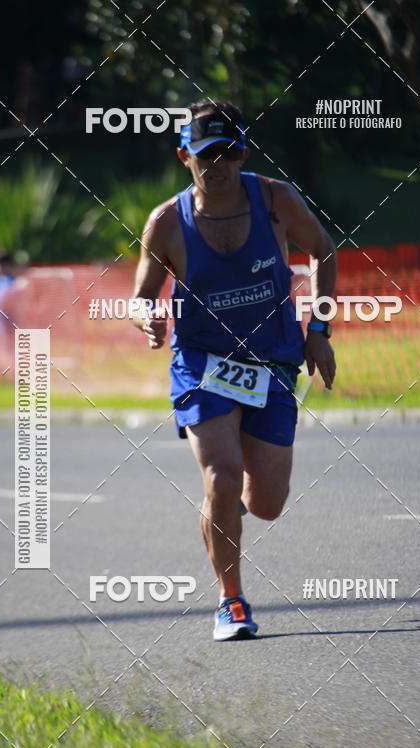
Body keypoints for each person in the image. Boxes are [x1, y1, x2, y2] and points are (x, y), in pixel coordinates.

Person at [133, 98, 336, 641]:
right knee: (220, 480)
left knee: (265, 504)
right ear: (184, 156)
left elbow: (323, 249)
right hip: (201, 362)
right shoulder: (166, 223)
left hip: (271, 359)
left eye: (227, 152)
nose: (217, 164)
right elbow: (141, 295)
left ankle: (234, 506)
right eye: (205, 154)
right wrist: (148, 316)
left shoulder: (275, 200)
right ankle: (232, 602)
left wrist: (318, 331)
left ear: (242, 151)